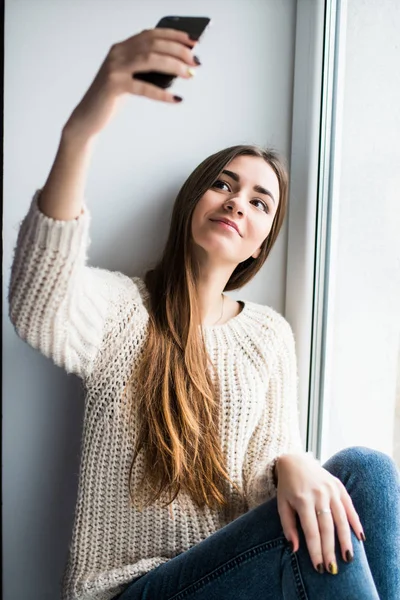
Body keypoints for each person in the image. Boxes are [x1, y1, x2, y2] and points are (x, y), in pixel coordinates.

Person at [8, 27, 400, 600]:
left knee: (369, 471)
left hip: (235, 578)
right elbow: (37, 304)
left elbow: (273, 489)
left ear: (260, 244)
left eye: (260, 201)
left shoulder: (268, 335)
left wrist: (291, 463)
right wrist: (82, 128)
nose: (238, 201)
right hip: (127, 590)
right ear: (195, 201)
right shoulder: (123, 310)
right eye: (223, 184)